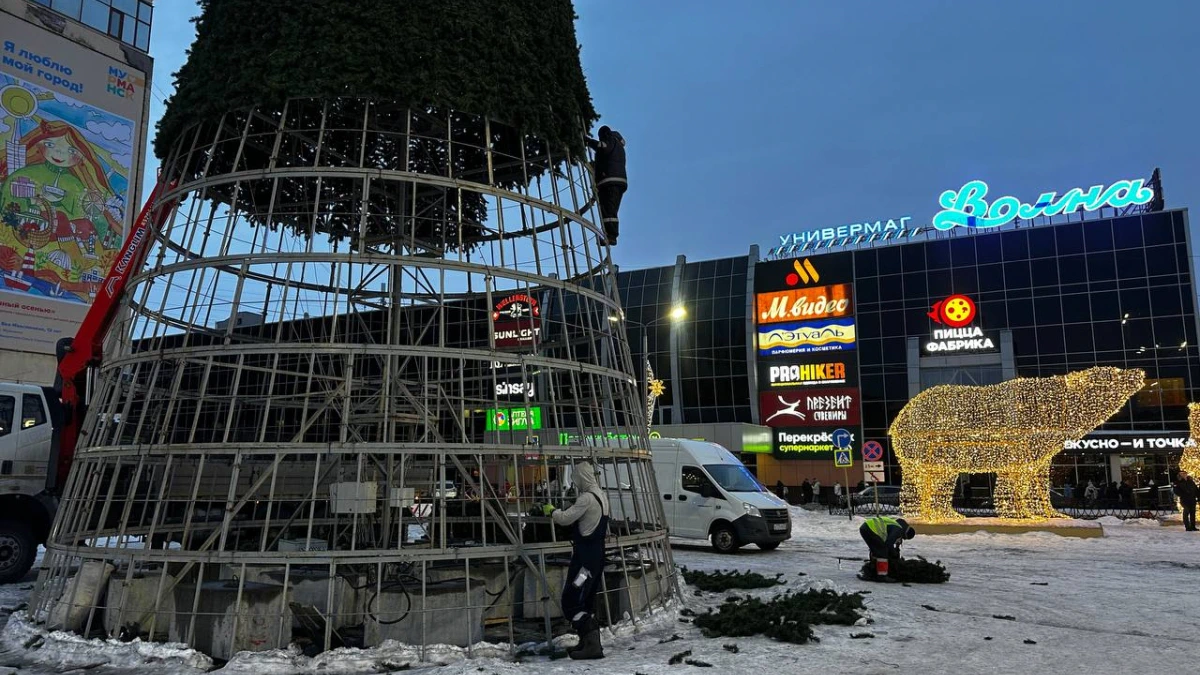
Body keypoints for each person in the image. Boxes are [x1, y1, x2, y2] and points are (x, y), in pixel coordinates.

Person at [542, 461, 609, 659]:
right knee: (586, 601)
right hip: (596, 559)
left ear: (582, 477)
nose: (576, 482)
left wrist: (551, 511)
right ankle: (587, 643)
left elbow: (565, 518)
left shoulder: (586, 499)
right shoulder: (602, 496)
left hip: (584, 564)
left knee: (571, 600)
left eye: (577, 478)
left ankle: (592, 646)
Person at [585, 126, 627, 246]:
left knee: (608, 211)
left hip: (609, 180)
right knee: (611, 210)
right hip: (617, 181)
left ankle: (611, 236)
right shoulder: (618, 145)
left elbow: (602, 147)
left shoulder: (610, 140)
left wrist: (588, 141)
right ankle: (611, 235)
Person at [859, 516, 916, 580]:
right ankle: (882, 576)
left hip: (865, 527)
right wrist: (894, 554)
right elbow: (888, 544)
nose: (902, 539)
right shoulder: (898, 530)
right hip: (871, 529)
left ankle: (874, 569)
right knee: (883, 552)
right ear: (905, 534)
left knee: (877, 549)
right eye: (904, 538)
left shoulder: (895, 524)